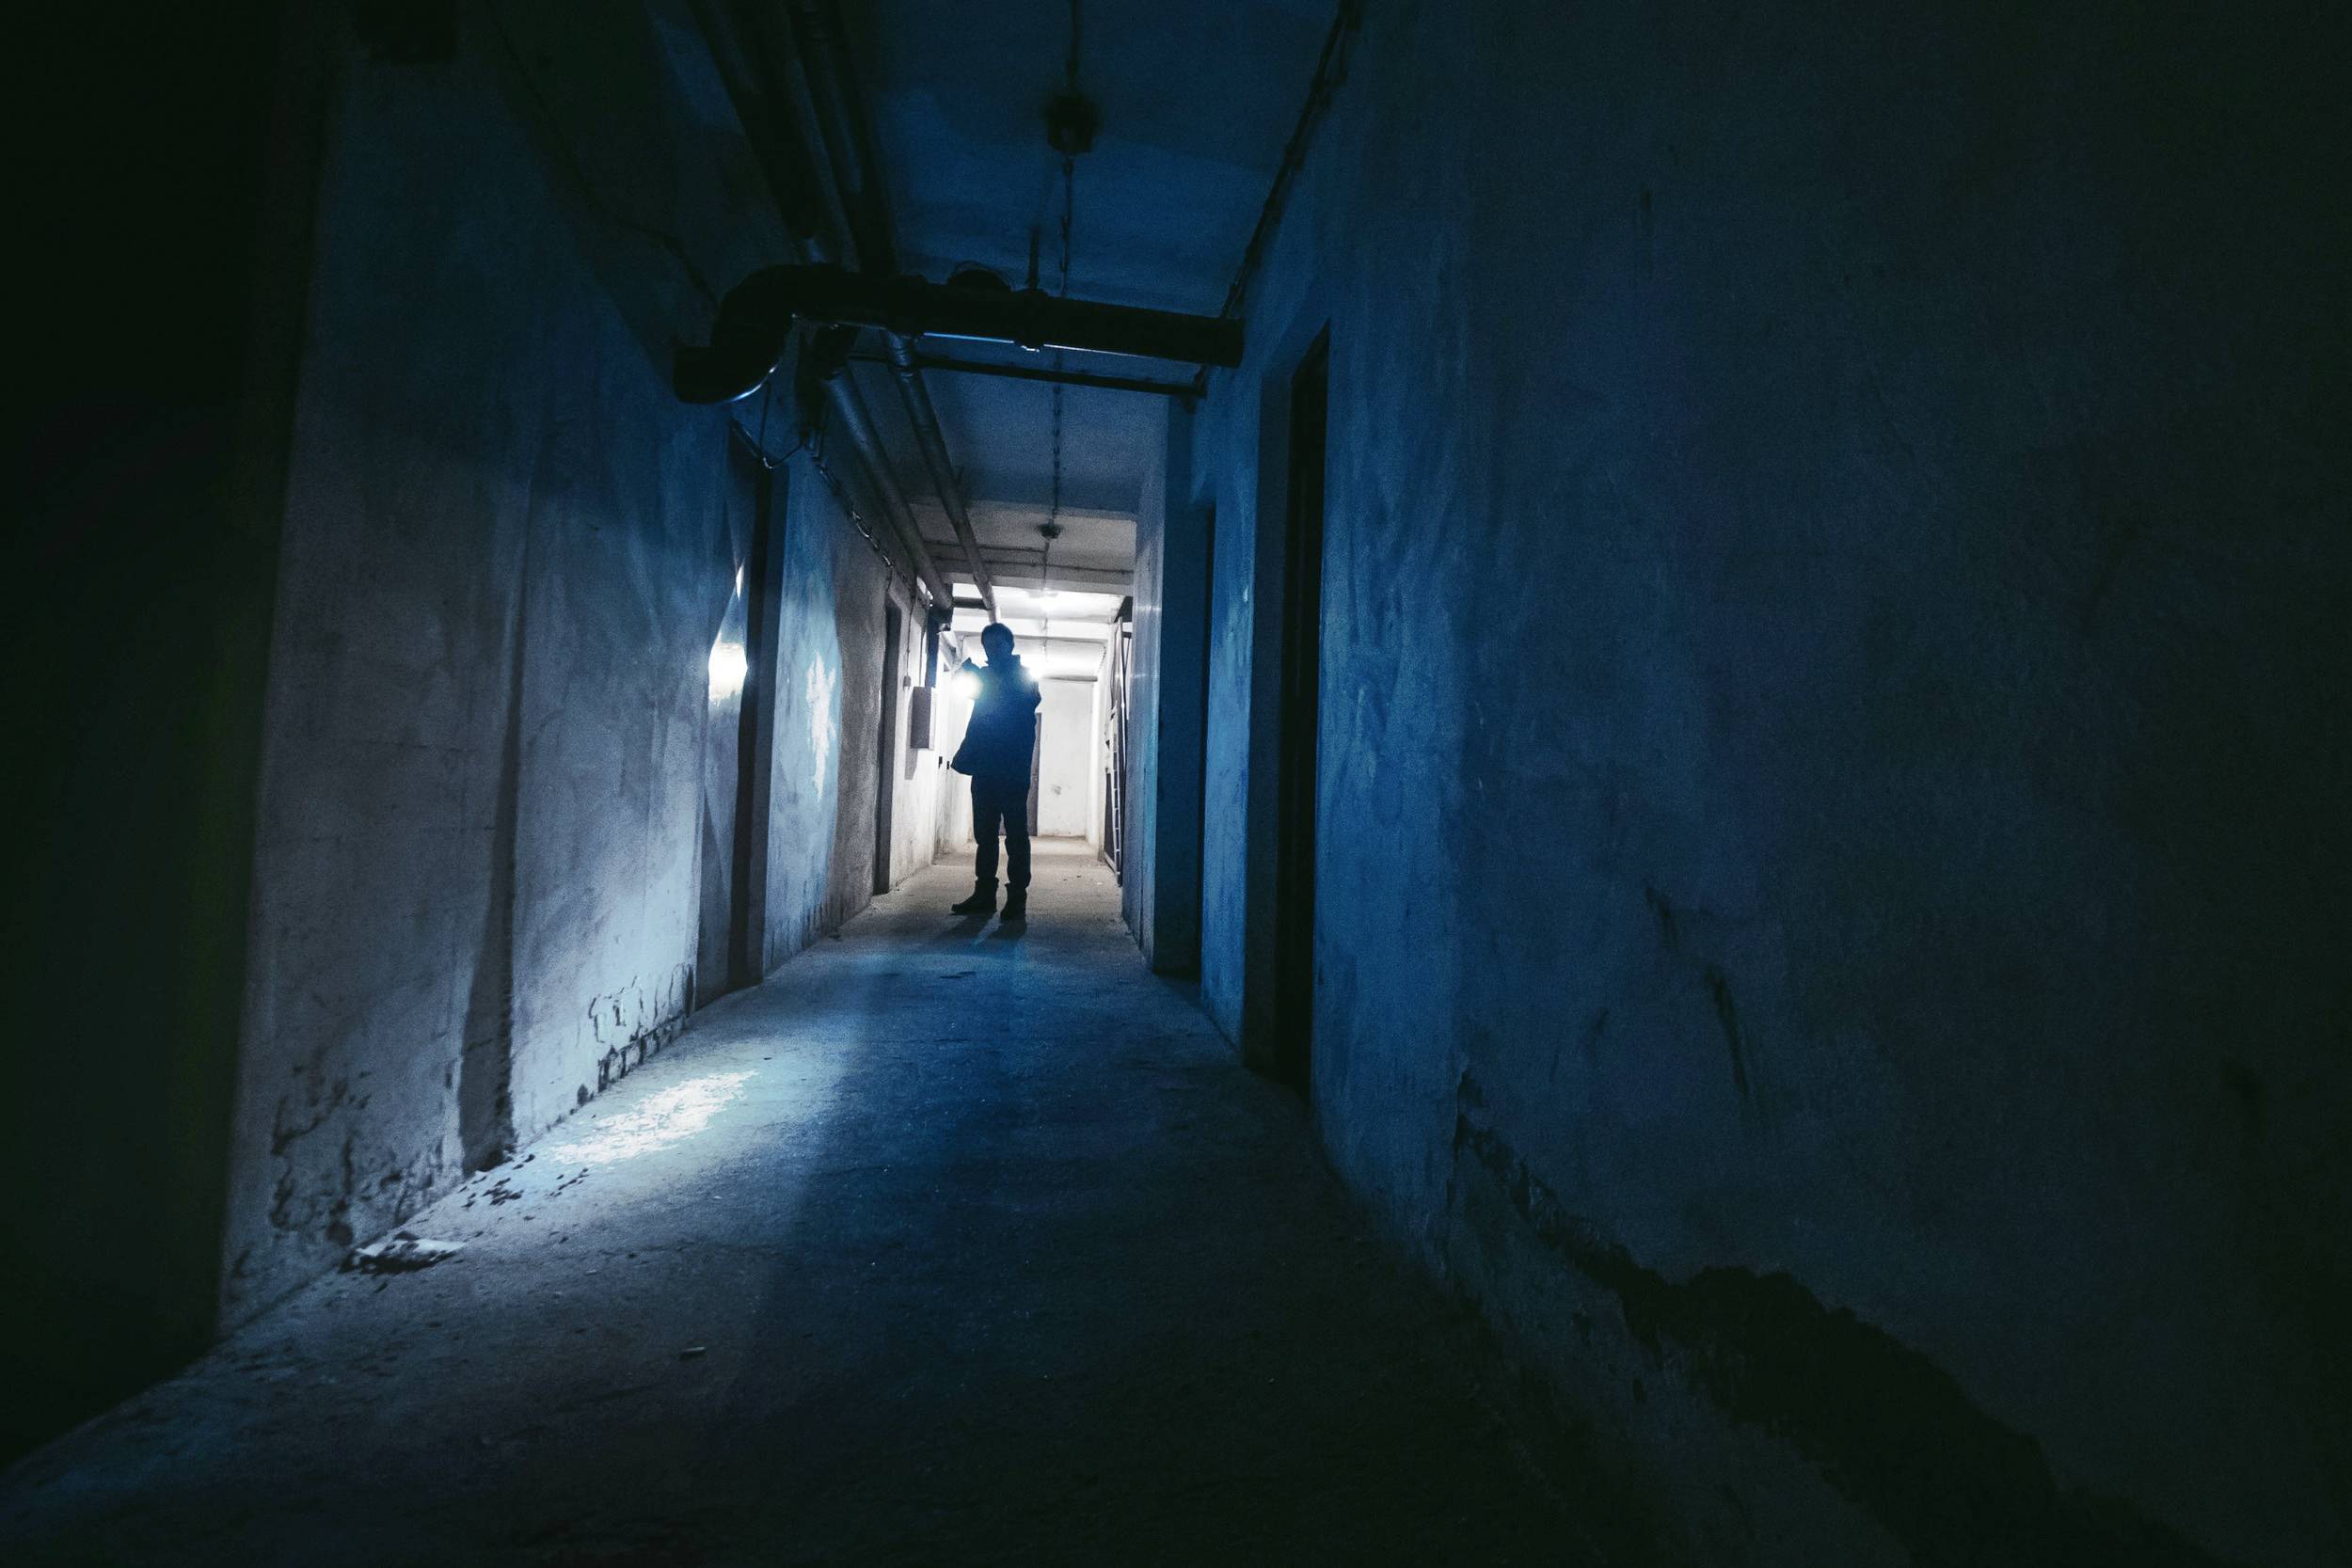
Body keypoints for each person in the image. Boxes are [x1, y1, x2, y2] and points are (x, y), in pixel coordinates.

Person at [947, 622, 1041, 921]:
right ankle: (985, 895)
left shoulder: (1024, 678)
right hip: (986, 768)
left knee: (1016, 837)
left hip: (1012, 770)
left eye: (997, 646)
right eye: (987, 646)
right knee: (985, 836)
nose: (991, 651)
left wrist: (981, 679)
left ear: (1010, 646)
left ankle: (1017, 901)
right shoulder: (987, 678)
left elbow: (1018, 702)